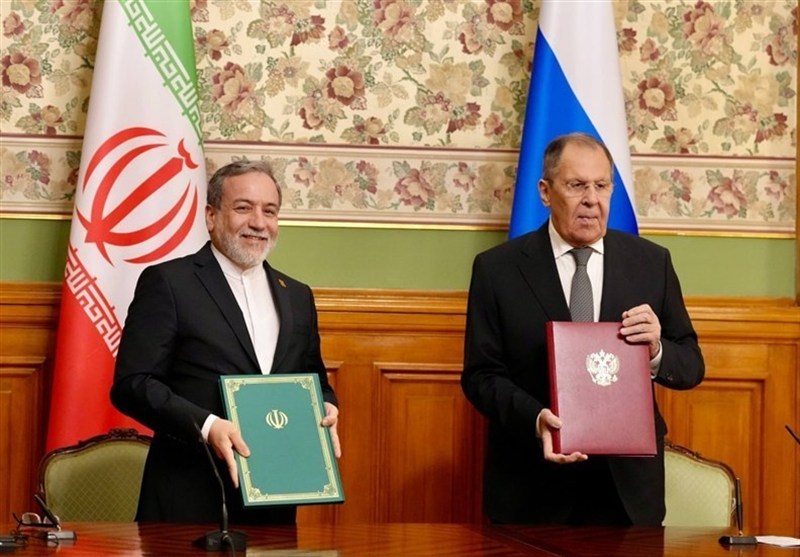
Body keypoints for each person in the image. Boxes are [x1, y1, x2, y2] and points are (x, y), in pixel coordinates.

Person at [461, 133, 704, 526]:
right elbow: (480, 376)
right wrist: (536, 419)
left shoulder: (650, 263)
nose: (592, 199)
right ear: (545, 192)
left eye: (602, 185)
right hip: (532, 488)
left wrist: (657, 350)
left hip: (627, 492)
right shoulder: (497, 269)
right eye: (577, 185)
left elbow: (691, 364)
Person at [111, 160, 340, 524]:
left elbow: (315, 380)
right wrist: (206, 425)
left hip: (275, 501)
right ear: (211, 215)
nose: (259, 222)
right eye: (244, 208)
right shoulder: (169, 283)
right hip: (188, 497)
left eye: (270, 211)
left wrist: (326, 406)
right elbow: (133, 385)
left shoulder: (297, 295)